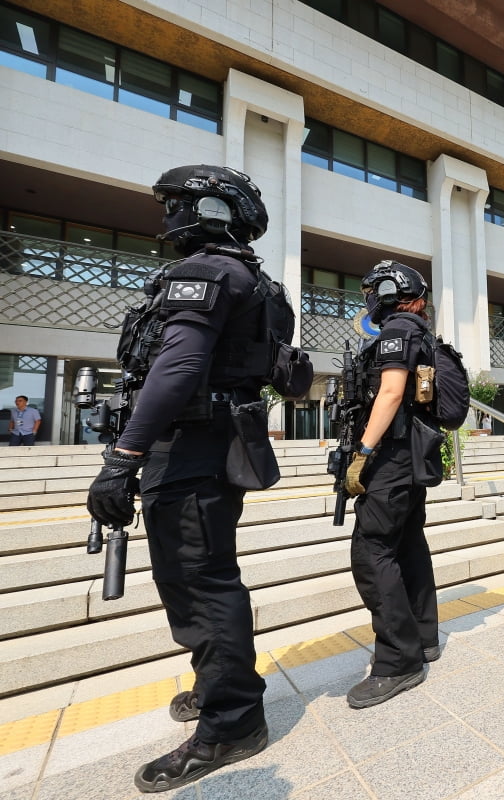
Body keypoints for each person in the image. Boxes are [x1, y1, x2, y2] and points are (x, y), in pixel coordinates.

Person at [85, 165, 278, 791]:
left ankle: (233, 722)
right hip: (210, 448)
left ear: (213, 211)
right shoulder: (252, 279)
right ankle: (224, 687)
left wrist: (124, 456)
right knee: (206, 578)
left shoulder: (208, 272)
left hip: (190, 451)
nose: (168, 216)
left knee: (201, 586)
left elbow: (181, 364)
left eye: (178, 205)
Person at [342, 260, 448, 708]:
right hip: (410, 458)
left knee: (372, 552)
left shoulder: (397, 332)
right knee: (408, 546)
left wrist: (362, 453)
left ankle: (398, 661)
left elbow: (389, 393)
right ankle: (423, 639)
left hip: (390, 460)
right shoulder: (418, 330)